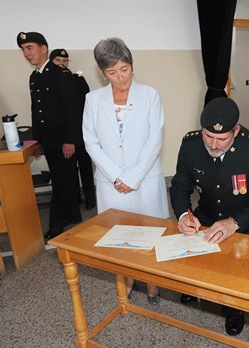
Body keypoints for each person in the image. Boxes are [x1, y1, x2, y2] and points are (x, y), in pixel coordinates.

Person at [169, 97, 249, 336]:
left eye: (222, 139)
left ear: (236, 131)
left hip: (246, 220)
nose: (214, 145)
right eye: (209, 136)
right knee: (192, 253)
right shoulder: (191, 144)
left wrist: (234, 223)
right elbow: (179, 186)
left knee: (236, 268)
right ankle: (197, 286)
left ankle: (234, 309)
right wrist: (183, 215)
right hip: (205, 216)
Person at [82, 37, 169, 305]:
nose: (120, 78)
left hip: (144, 178)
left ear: (132, 65)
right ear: (102, 72)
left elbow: (154, 139)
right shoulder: (93, 99)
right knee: (119, 237)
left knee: (151, 233)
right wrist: (116, 177)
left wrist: (132, 177)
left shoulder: (150, 95)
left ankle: (153, 284)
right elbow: (90, 141)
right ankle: (126, 282)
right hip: (111, 182)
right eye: (112, 72)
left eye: (124, 69)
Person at [17, 31, 82, 239]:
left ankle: (55, 227)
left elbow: (73, 109)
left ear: (43, 48)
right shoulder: (35, 76)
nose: (26, 53)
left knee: (61, 183)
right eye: (23, 50)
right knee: (64, 179)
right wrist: (36, 141)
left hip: (64, 140)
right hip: (49, 140)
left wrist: (70, 140)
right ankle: (73, 215)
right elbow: (37, 110)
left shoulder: (60, 74)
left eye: (30, 48)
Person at [49, 48, 96, 210]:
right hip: (63, 134)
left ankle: (91, 197)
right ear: (51, 62)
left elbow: (87, 106)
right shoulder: (48, 81)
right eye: (58, 61)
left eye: (65, 61)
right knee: (69, 169)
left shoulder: (77, 79)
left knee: (85, 166)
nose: (62, 64)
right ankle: (75, 197)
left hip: (81, 131)